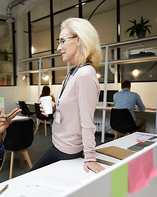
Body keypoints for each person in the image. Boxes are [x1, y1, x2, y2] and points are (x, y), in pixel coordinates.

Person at [30, 18, 105, 173]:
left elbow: (87, 121)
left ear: (79, 40)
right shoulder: (73, 72)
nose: (59, 48)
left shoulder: (84, 74)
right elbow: (71, 108)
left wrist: (90, 157)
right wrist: (55, 107)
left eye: (62, 41)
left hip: (66, 150)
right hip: (58, 144)